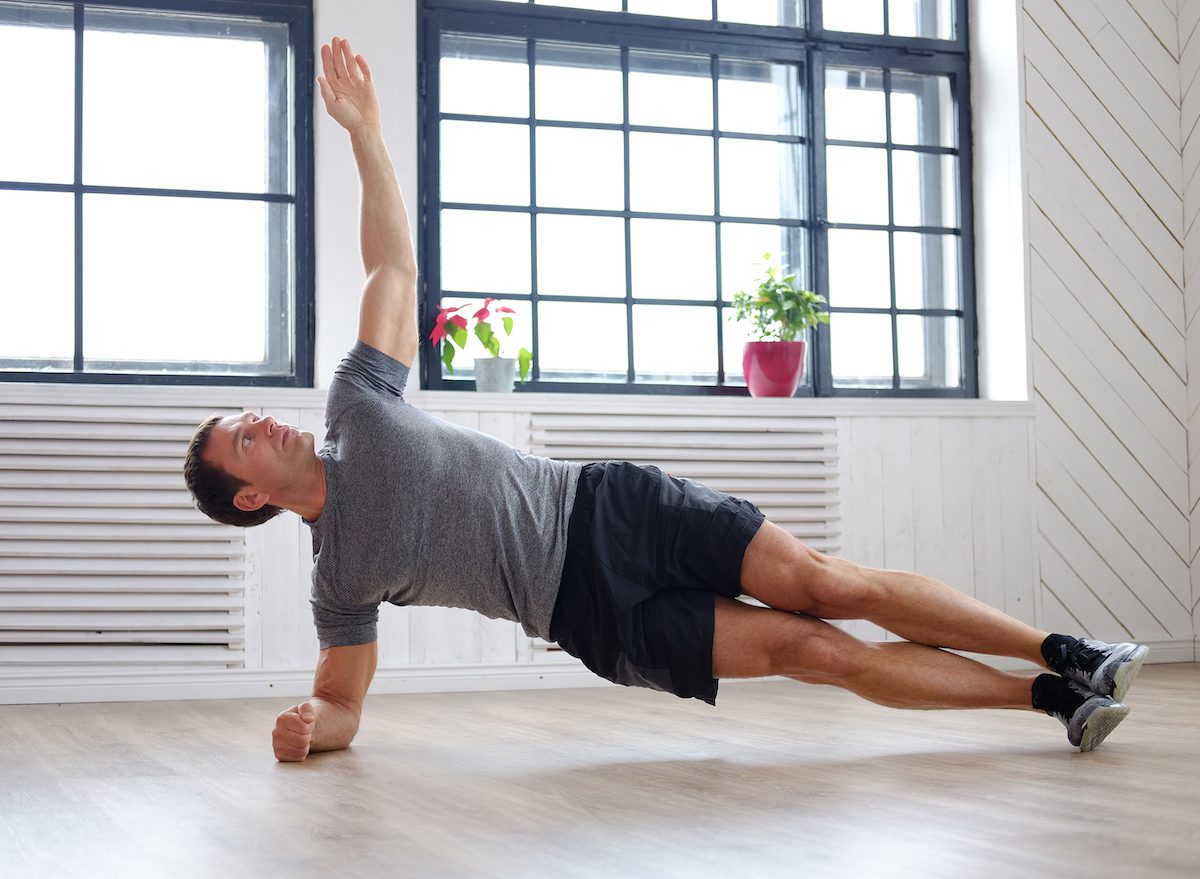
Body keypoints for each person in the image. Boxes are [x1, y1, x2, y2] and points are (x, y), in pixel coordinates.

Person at [184, 38, 1149, 763]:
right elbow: (346, 698)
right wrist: (315, 726)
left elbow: (392, 261)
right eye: (243, 440)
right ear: (252, 498)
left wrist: (367, 134)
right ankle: (1048, 699)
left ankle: (1068, 648)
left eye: (246, 416)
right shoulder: (337, 576)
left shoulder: (356, 401)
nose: (260, 421)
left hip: (610, 506)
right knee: (821, 654)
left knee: (831, 586)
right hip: (593, 614)